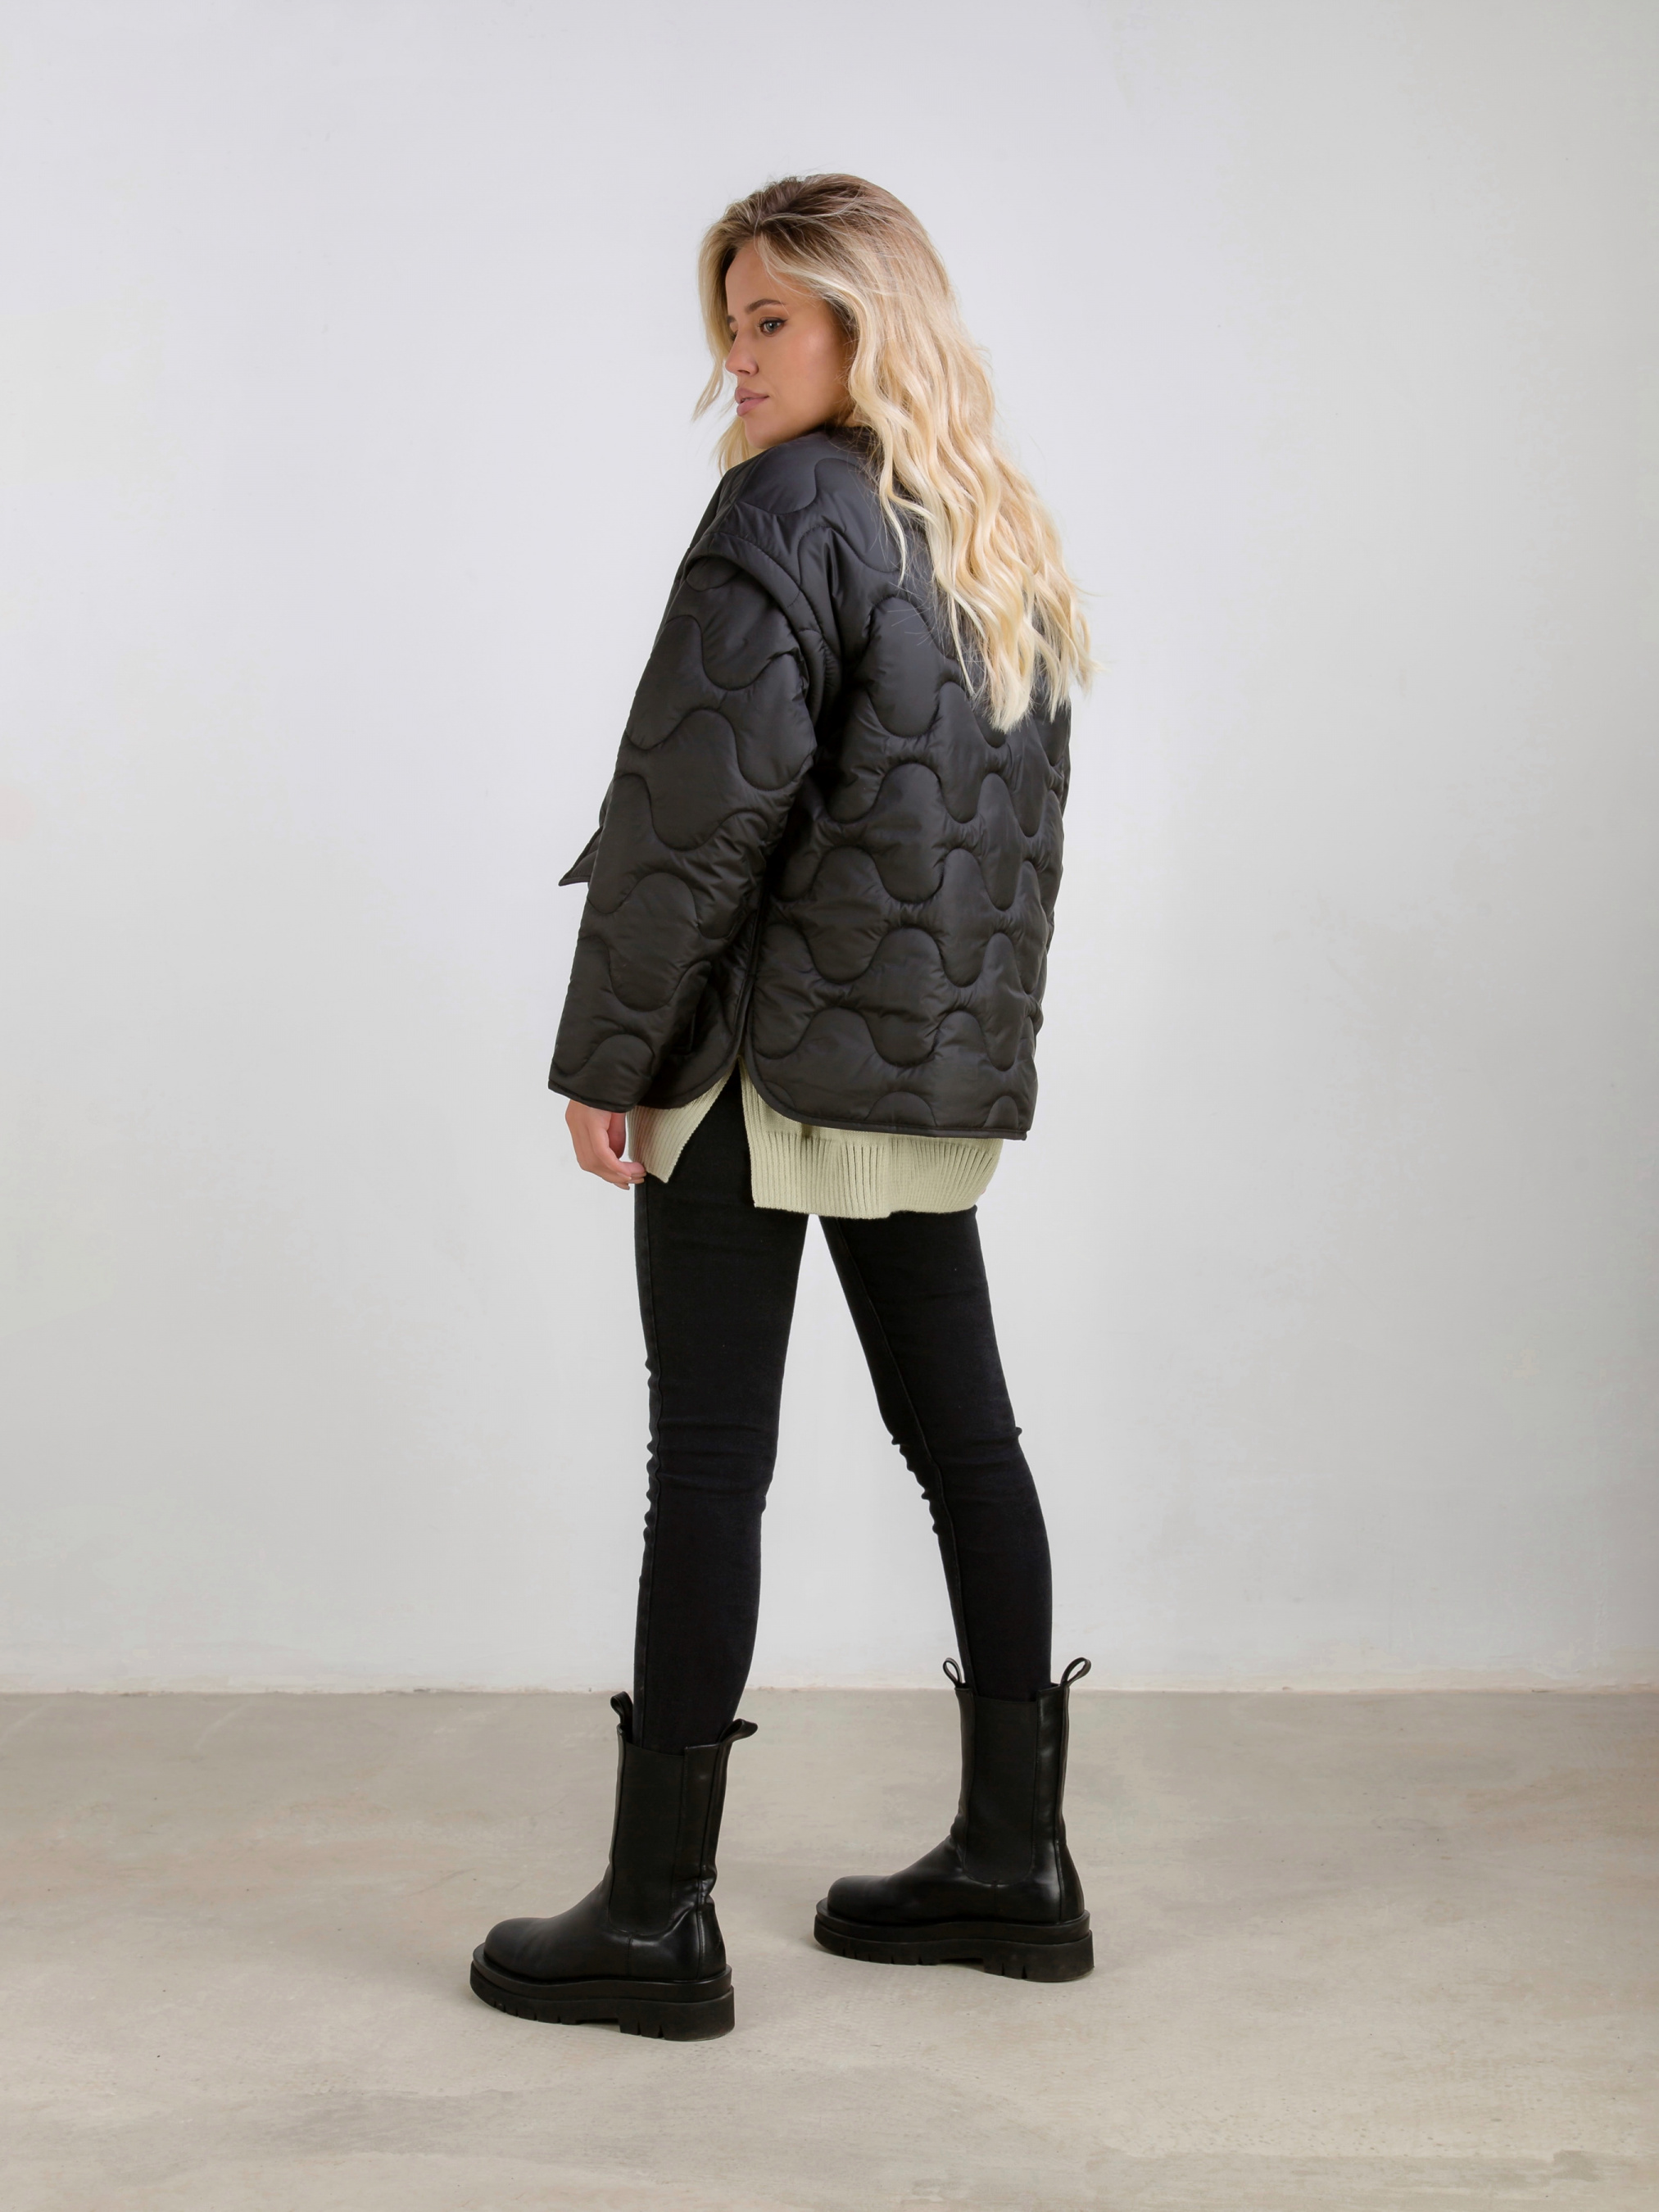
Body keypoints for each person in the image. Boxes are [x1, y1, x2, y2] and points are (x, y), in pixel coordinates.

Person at [470, 175, 1095, 2040]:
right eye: (727, 323)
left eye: (770, 322)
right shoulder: (983, 522)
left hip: (758, 1064)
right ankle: (1015, 1865)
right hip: (913, 1074)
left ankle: (654, 1916)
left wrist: (610, 1053)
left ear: (858, 323)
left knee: (707, 1465)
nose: (735, 361)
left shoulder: (783, 512)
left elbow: (694, 816)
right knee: (966, 1446)